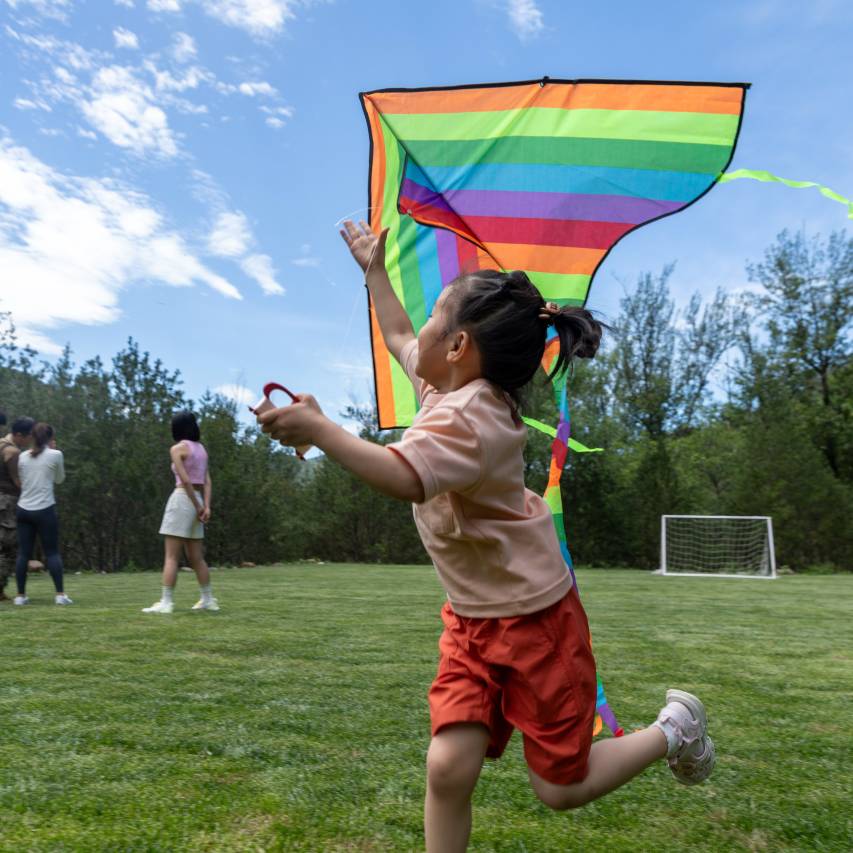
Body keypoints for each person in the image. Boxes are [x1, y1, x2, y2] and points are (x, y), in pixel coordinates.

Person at [258, 221, 716, 852]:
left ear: (457, 346)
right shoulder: (442, 388)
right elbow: (399, 336)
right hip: (472, 623)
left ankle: (674, 730)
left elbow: (404, 477)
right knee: (447, 768)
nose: (420, 329)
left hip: (536, 623)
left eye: (434, 316)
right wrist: (374, 273)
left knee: (560, 788)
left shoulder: (474, 416)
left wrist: (320, 429)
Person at [143, 411, 218, 614]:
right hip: (198, 499)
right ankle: (208, 599)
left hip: (182, 499)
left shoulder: (177, 449)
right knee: (197, 557)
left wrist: (197, 506)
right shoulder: (201, 450)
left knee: (171, 557)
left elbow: (184, 480)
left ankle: (166, 602)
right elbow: (207, 481)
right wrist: (205, 506)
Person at [15, 422, 71, 606]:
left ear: (32, 436)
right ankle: (60, 595)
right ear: (50, 438)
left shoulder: (23, 456)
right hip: (45, 509)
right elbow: (60, 479)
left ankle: (20, 596)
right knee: (52, 552)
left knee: (23, 554)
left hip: (23, 509)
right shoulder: (55, 455)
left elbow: (23, 479)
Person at [0, 414, 34, 601]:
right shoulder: (12, 452)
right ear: (20, 435)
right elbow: (18, 482)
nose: (31, 441)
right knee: (8, 548)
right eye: (29, 436)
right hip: (7, 503)